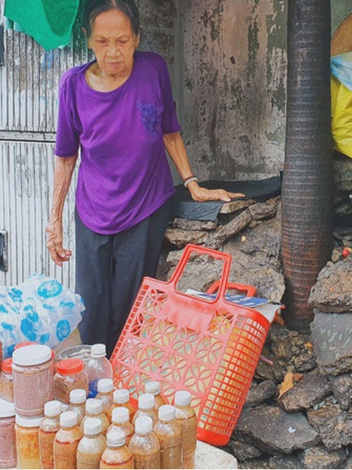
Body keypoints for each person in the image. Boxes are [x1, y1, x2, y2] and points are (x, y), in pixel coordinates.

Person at [46, 0, 243, 355]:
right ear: (89, 40)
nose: (113, 51)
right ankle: (99, 382)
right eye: (103, 41)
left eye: (122, 41)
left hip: (144, 208)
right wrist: (54, 220)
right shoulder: (73, 86)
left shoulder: (153, 70)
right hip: (93, 210)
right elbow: (66, 157)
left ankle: (125, 380)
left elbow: (169, 130)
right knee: (91, 307)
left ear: (137, 38)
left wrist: (191, 182)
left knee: (129, 304)